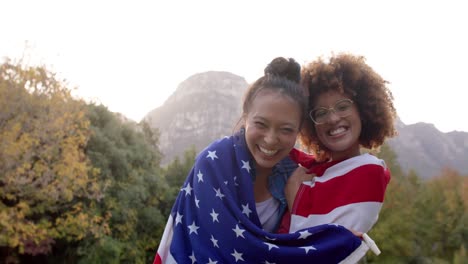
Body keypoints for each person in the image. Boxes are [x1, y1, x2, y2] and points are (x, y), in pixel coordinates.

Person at [154, 57, 373, 264]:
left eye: (286, 129)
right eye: (261, 124)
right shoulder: (214, 164)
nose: (270, 139)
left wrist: (334, 239)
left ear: (299, 131)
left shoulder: (297, 175)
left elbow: (295, 246)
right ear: (246, 118)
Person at [280, 53, 397, 237]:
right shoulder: (311, 168)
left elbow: (324, 250)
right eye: (320, 113)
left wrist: (294, 196)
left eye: (343, 107)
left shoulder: (369, 171)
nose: (333, 119)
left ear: (362, 110)